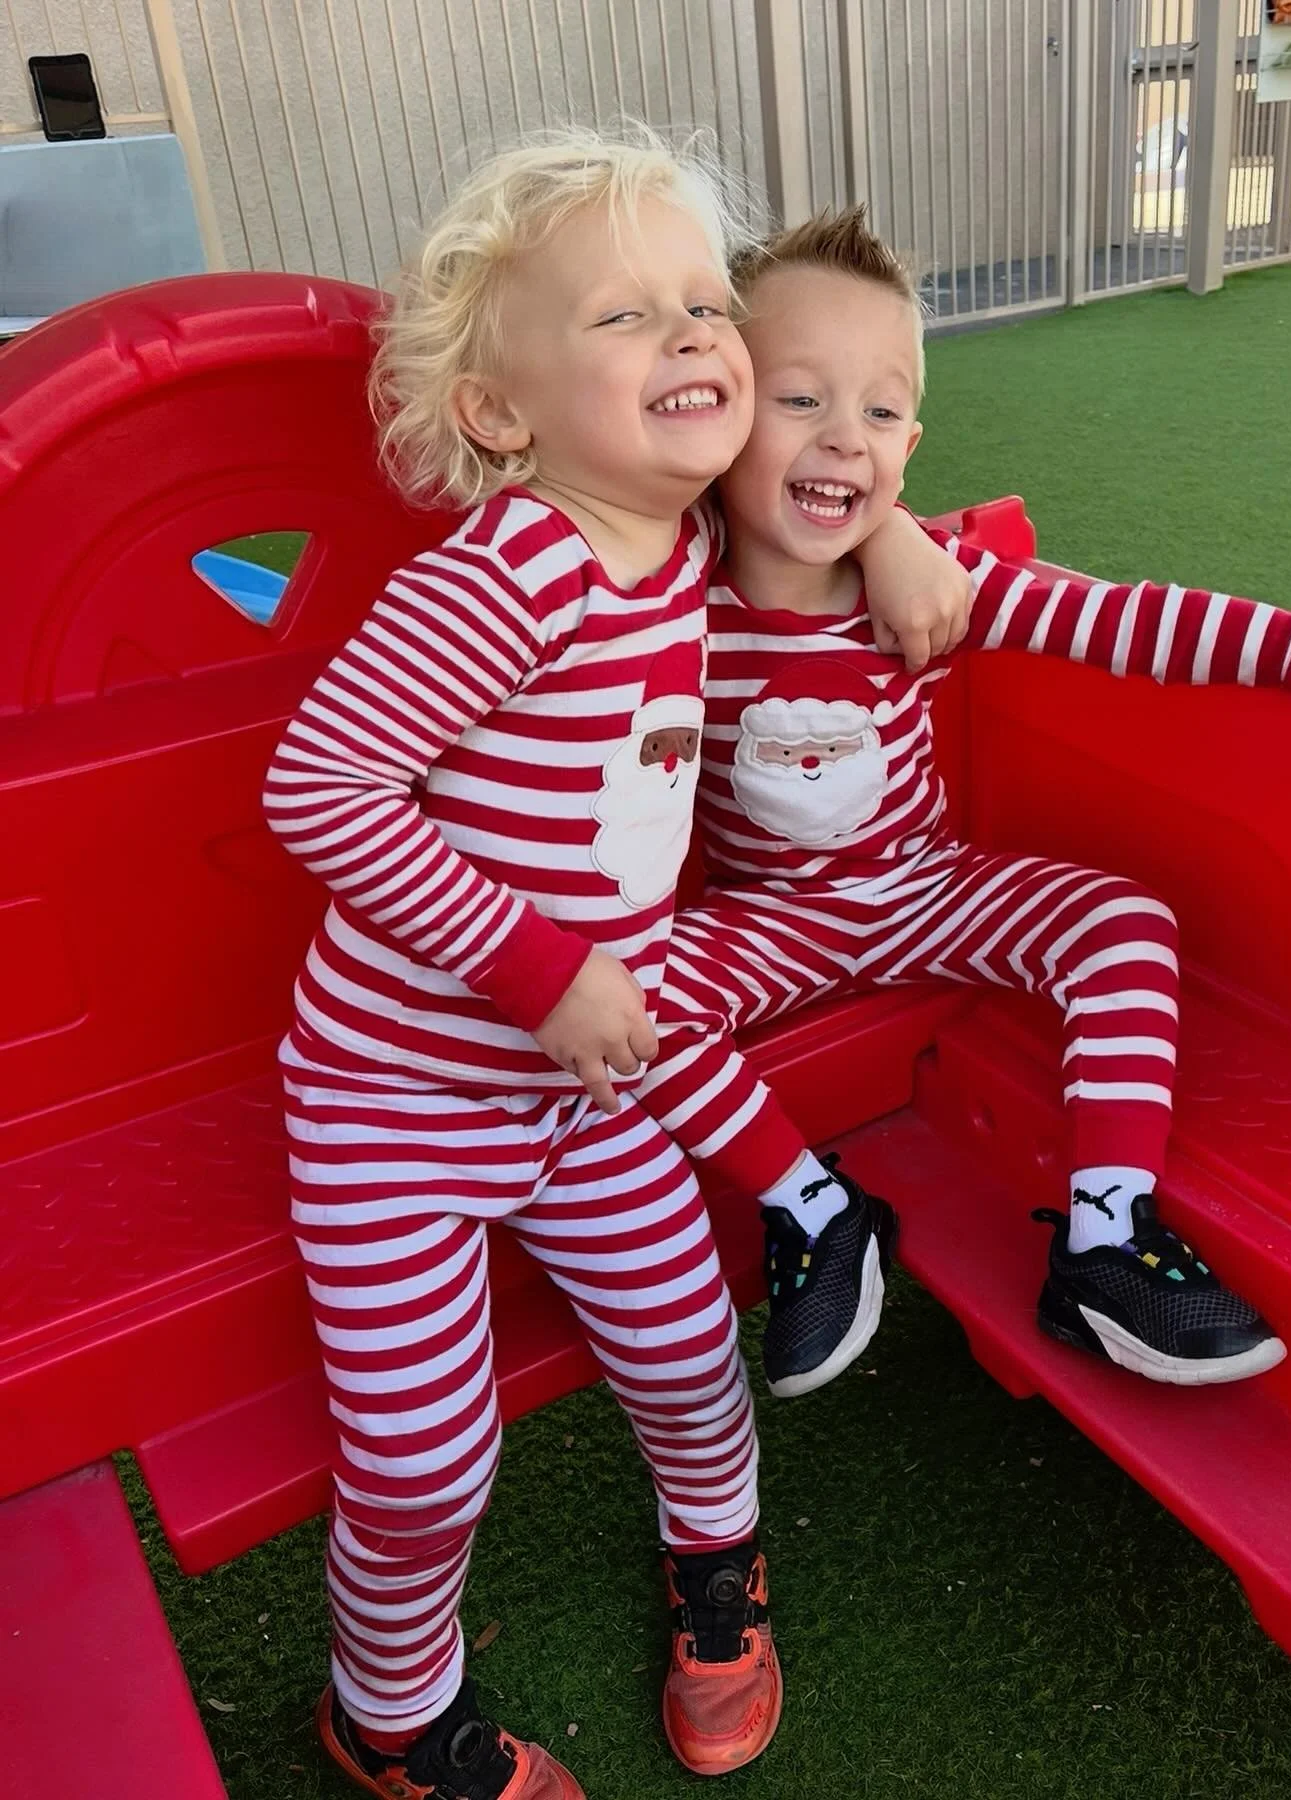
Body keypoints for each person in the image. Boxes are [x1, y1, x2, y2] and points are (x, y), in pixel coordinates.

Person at [263, 140, 971, 1797]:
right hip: (396, 1111)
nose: (699, 340)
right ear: (506, 414)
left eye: (708, 306)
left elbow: (821, 474)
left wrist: (898, 540)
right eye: (626, 316)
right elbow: (319, 786)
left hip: (582, 1097)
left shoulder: (687, 548)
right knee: (424, 1463)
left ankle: (718, 1574)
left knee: (687, 1350)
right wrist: (537, 968)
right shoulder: (513, 572)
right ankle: (390, 1708)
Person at [637, 205, 1291, 1401]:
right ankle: (817, 1208)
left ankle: (1104, 1236)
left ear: (914, 437)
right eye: (800, 400)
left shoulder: (936, 592)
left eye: (882, 410)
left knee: (1124, 924)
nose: (845, 442)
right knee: (616, 1002)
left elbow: (1137, 624)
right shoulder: (654, 599)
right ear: (726, 411)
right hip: (772, 921)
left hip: (930, 887)